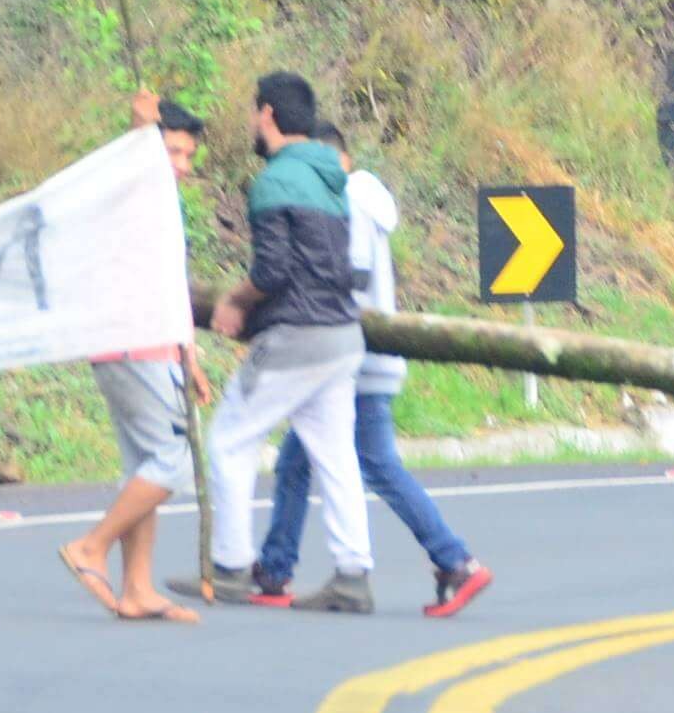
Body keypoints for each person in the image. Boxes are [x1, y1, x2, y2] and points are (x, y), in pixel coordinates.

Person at [253, 125, 494, 618]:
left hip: (354, 359)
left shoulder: (353, 199)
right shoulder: (359, 197)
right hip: (350, 357)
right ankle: (274, 570)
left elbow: (351, 277)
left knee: (377, 463)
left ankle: (456, 561)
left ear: (331, 158)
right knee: (296, 462)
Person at [199, 72, 374, 611]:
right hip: (343, 335)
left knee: (229, 441)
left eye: (255, 112)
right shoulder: (332, 180)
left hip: (296, 336)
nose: (253, 121)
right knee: (337, 458)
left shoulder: (274, 182)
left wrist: (234, 300)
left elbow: (272, 271)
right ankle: (352, 575)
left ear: (268, 113)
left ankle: (229, 567)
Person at [65, 93, 208, 623]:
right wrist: (137, 132)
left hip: (155, 344)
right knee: (170, 463)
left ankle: (138, 588)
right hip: (129, 343)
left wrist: (189, 356)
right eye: (173, 152)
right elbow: (124, 173)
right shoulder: (133, 189)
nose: (182, 166)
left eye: (188, 156)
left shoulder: (164, 205)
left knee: (144, 467)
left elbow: (171, 286)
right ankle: (91, 547)